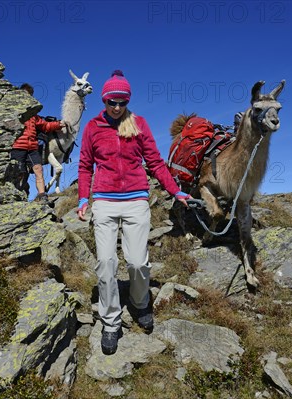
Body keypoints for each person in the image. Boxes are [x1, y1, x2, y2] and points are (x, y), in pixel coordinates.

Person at [77, 70, 190, 355]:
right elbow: (84, 165)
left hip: (136, 200)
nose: (116, 107)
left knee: (138, 263)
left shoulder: (139, 124)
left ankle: (140, 304)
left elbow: (155, 161)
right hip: (103, 201)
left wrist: (175, 191)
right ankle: (111, 322)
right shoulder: (92, 127)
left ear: (128, 101)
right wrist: (82, 199)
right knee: (105, 263)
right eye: (112, 102)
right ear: (104, 100)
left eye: (122, 102)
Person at [10, 83, 67, 201]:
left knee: (38, 170)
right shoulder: (13, 111)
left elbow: (45, 126)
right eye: (25, 95)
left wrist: (58, 124)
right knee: (20, 173)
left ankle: (42, 196)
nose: (28, 98)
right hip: (17, 147)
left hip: (32, 148)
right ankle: (17, 196)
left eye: (30, 95)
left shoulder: (33, 115)